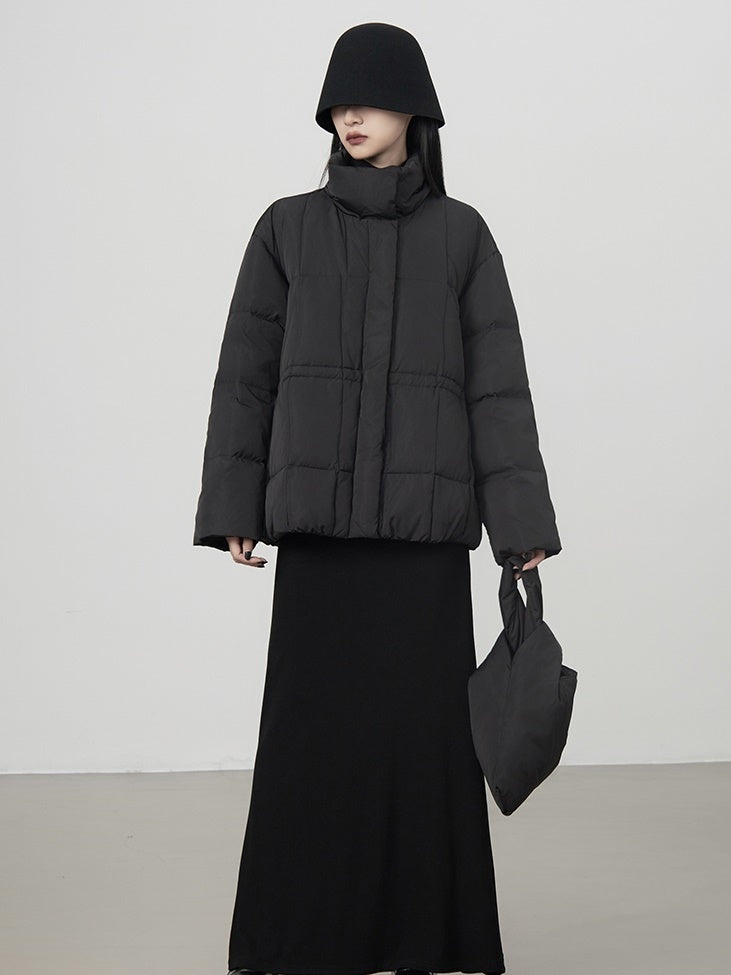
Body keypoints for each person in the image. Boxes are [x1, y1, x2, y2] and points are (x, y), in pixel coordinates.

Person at [192, 22, 562, 975]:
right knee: (309, 750)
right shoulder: (285, 228)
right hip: (320, 545)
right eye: (336, 105)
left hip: (420, 548)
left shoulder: (462, 235)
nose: (348, 117)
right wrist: (234, 504)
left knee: (421, 755)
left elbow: (497, 388)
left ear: (414, 111)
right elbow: (246, 376)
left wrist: (519, 526)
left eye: (367, 99)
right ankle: (297, 941)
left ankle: (423, 938)